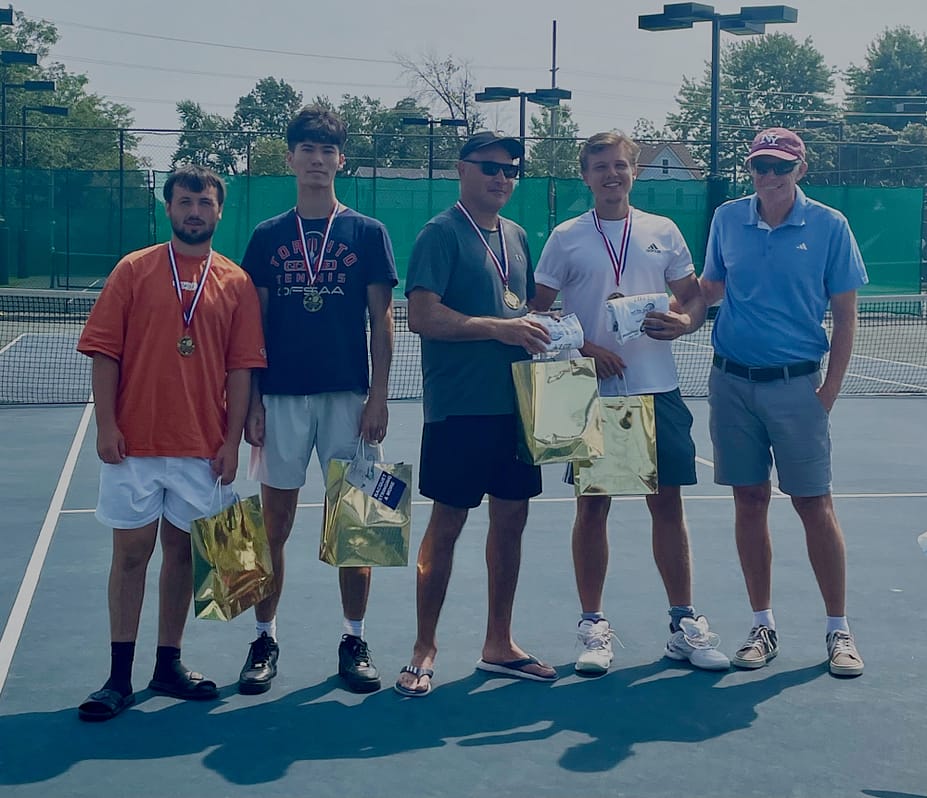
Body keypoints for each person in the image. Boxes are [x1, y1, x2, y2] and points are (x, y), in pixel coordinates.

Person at [530, 131, 730, 675]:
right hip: (592, 392)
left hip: (657, 389)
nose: (611, 174)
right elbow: (537, 311)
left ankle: (684, 625)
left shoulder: (661, 231)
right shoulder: (566, 238)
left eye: (619, 165)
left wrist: (685, 321)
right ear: (586, 174)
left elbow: (692, 296)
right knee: (592, 508)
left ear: (633, 171)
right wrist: (587, 348)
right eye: (600, 167)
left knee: (668, 507)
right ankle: (592, 627)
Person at [76, 165, 266, 721]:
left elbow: (242, 367)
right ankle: (117, 677)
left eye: (204, 203)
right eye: (185, 201)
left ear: (218, 211)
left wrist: (231, 442)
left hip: (202, 448)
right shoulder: (133, 270)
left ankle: (168, 665)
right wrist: (106, 426)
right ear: (169, 207)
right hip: (133, 444)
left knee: (182, 555)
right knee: (131, 555)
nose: (194, 211)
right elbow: (105, 352)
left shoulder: (235, 282)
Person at [239, 105, 397, 694]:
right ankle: (264, 637)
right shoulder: (267, 236)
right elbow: (253, 326)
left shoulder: (368, 232)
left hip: (348, 399)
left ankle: (354, 637)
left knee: (358, 523)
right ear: (290, 158)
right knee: (271, 524)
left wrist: (379, 396)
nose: (317, 159)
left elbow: (383, 322)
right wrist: (252, 398)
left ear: (341, 160)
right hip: (281, 397)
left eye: (327, 150)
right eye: (306, 148)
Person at [394, 131, 556, 697]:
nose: (502, 178)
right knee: (448, 526)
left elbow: (522, 311)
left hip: (517, 408)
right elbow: (421, 316)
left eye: (511, 171)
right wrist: (499, 328)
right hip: (459, 411)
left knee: (511, 523)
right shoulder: (439, 234)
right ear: (463, 170)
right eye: (490, 167)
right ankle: (424, 647)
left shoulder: (515, 236)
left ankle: (498, 643)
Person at [700, 127, 868, 677]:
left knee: (813, 505)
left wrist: (828, 392)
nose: (768, 175)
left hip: (798, 387)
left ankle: (837, 630)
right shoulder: (727, 218)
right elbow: (708, 291)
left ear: (800, 168)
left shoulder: (829, 225)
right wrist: (655, 309)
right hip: (730, 384)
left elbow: (845, 315)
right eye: (760, 165)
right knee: (749, 501)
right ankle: (762, 625)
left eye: (779, 165)